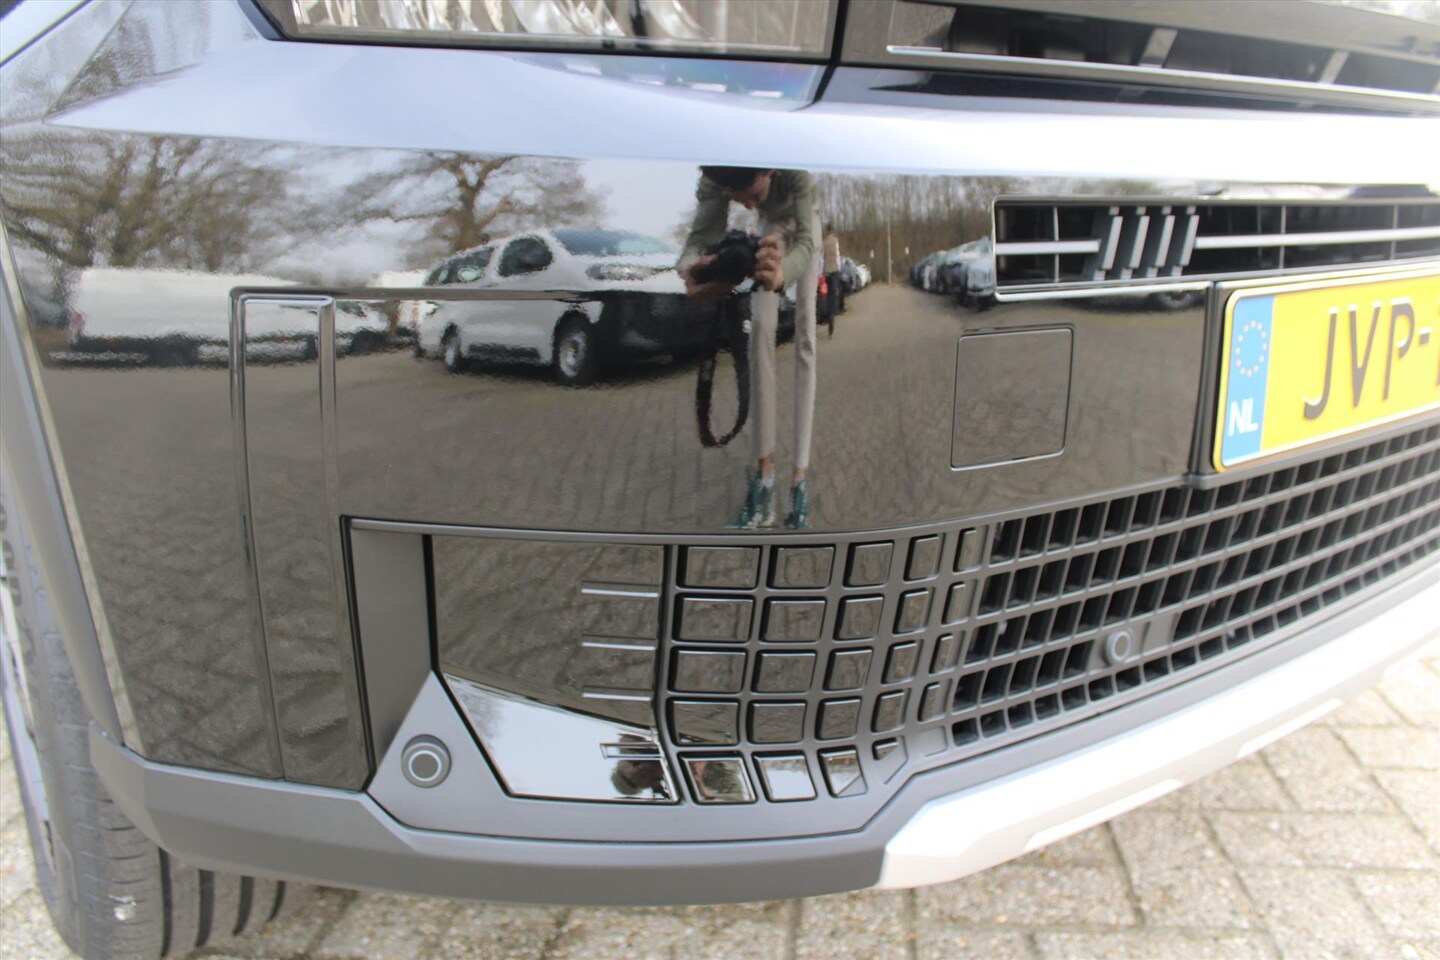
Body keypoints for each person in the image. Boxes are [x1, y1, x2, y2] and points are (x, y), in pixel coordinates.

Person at [679, 166, 820, 529]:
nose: (747, 204)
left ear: (769, 169)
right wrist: (693, 268)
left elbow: (806, 241)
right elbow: (699, 238)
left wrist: (783, 274)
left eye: (753, 196)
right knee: (759, 332)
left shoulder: (795, 171)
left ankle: (799, 481)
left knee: (806, 337)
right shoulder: (714, 177)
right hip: (771, 229)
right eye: (736, 198)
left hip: (806, 224)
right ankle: (763, 479)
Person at [822, 225, 843, 334]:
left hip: (827, 272)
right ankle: (832, 318)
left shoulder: (824, 242)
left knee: (827, 295)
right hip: (834, 271)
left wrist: (822, 271)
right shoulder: (835, 241)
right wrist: (839, 269)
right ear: (832, 231)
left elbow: (822, 258)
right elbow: (837, 255)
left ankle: (829, 315)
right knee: (833, 295)